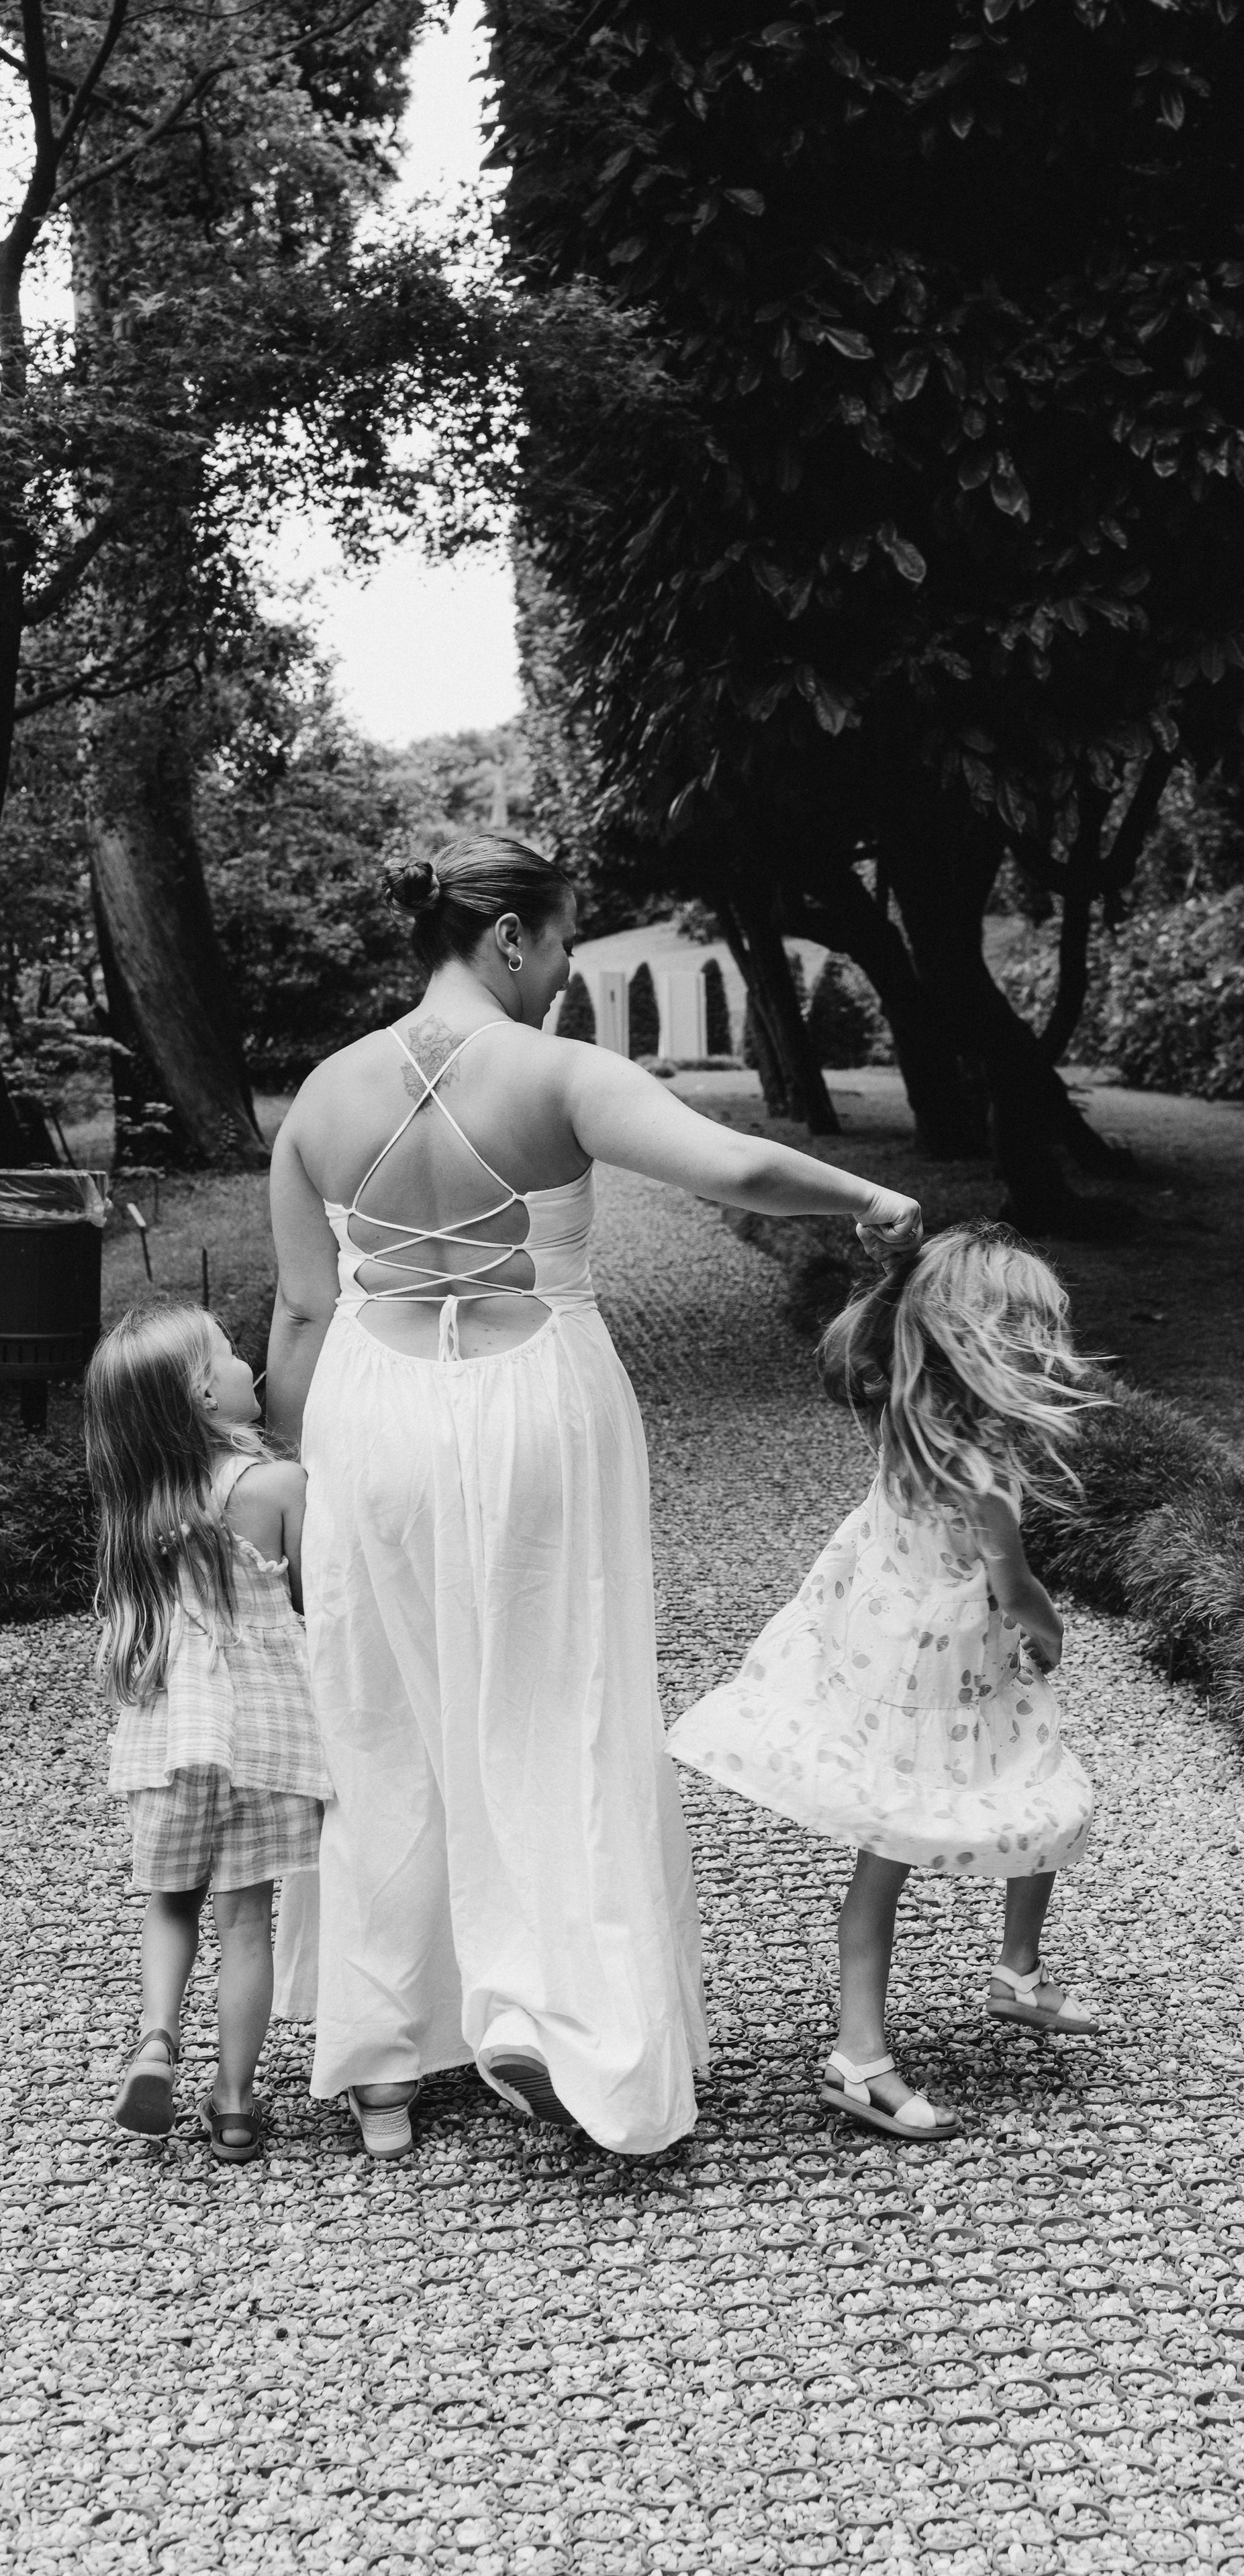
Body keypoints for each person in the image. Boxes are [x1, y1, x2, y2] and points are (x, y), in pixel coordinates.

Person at [265, 830, 921, 2160]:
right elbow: (729, 1167)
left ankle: (386, 2062)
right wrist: (868, 1197)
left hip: (367, 1417)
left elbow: (293, 1311)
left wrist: (293, 1507)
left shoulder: (321, 1098)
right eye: (561, 940)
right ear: (507, 938)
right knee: (556, 1705)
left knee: (382, 1711)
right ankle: (565, 2036)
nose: (564, 970)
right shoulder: (557, 1073)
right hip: (532, 1411)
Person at [669, 1222, 1102, 2141]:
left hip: (889, 1657)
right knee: (1038, 1800)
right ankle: (904, 2033)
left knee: (899, 1844)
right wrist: (1052, 1633)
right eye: (1030, 1338)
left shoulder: (905, 1424)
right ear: (983, 1347)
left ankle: (938, 2012)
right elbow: (1015, 1588)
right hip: (945, 1684)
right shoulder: (985, 1470)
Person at [87, 1305, 325, 2165]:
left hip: (170, 1734)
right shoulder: (275, 1489)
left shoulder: (140, 1505)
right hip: (266, 1734)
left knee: (171, 1902)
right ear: (201, 1391)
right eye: (229, 1354)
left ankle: (156, 2038)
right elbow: (312, 1603)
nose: (245, 1363)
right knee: (248, 1923)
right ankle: (231, 2103)